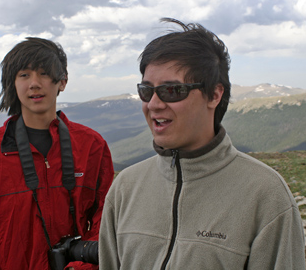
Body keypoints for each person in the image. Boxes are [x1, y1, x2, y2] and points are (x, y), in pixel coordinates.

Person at [99, 18, 305, 269]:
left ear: (214, 94)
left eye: (172, 90)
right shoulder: (125, 188)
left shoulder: (266, 196)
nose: (153, 104)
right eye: (146, 90)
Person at [0, 37, 114, 270]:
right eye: (24, 75)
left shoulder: (92, 146)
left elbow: (107, 220)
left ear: (62, 81)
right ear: (12, 83)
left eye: (43, 73)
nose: (34, 83)